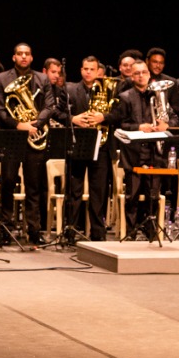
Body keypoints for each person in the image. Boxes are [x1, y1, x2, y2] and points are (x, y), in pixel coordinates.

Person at [0, 42, 56, 245]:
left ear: (32, 57)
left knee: (34, 186)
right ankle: (6, 229)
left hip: (35, 134)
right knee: (8, 182)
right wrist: (19, 124)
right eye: (20, 54)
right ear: (14, 57)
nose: (23, 57)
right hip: (12, 136)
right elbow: (0, 109)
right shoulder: (2, 78)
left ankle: (34, 230)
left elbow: (49, 105)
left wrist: (34, 123)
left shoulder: (42, 78)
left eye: (27, 54)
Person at [118, 59, 179, 239]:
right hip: (134, 153)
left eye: (144, 72)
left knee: (153, 195)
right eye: (137, 73)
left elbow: (175, 119)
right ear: (131, 75)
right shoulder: (125, 97)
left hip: (156, 152)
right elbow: (121, 124)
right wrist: (139, 127)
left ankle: (151, 231)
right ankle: (130, 231)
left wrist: (166, 125)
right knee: (133, 196)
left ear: (149, 74)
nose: (141, 76)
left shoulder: (159, 95)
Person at [63, 56, 118, 242]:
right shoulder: (70, 89)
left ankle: (98, 233)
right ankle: (71, 231)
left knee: (98, 192)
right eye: (85, 68)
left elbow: (119, 114)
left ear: (97, 72)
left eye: (92, 69)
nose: (88, 72)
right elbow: (56, 112)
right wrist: (73, 119)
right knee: (74, 191)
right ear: (81, 70)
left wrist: (103, 117)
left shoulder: (109, 90)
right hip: (77, 144)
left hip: (101, 147)